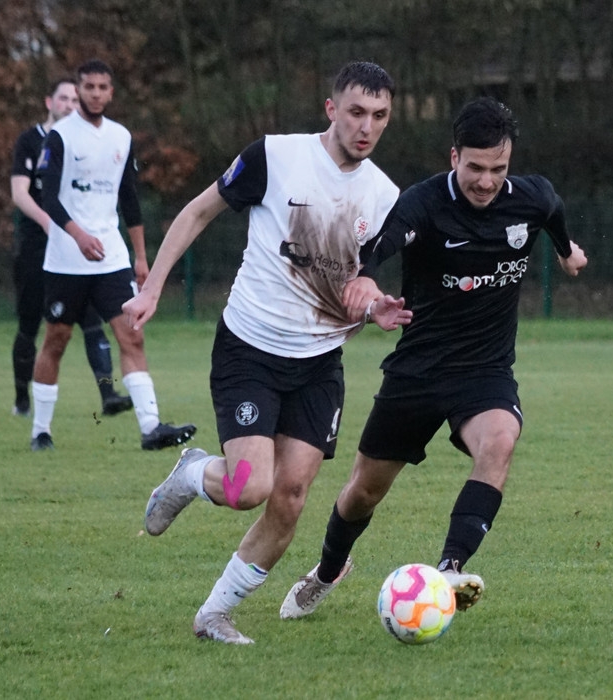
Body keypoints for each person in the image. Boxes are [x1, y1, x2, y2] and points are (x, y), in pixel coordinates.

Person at [124, 61, 410, 644]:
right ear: (331, 109)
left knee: (291, 498)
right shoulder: (275, 157)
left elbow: (360, 287)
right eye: (356, 112)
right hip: (250, 350)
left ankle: (214, 615)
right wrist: (152, 287)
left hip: (319, 366)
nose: (367, 126)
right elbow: (198, 211)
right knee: (247, 488)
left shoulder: (386, 198)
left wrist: (373, 308)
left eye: (379, 116)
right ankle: (192, 472)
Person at [279, 96, 588, 623]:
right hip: (417, 372)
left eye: (498, 169)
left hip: (485, 371)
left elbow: (553, 210)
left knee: (500, 441)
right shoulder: (422, 204)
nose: (486, 182)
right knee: (363, 492)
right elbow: (378, 246)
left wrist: (565, 250)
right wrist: (366, 279)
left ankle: (449, 570)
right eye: (475, 168)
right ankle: (328, 570)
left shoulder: (531, 197)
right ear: (454, 157)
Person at [31, 58, 196, 452]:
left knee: (132, 336)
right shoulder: (60, 136)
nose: (95, 94)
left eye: (102, 87)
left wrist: (140, 257)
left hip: (112, 259)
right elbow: (47, 197)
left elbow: (129, 198)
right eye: (88, 87)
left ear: (111, 91)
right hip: (66, 260)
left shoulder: (121, 136)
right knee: (56, 340)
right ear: (79, 89)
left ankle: (151, 428)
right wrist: (78, 236)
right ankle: (40, 430)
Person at [10, 77, 132, 425]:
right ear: (49, 102)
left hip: (78, 248)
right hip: (39, 247)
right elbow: (20, 193)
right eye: (62, 98)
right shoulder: (31, 141)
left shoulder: (87, 140)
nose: (69, 104)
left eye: (72, 98)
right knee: (33, 324)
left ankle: (108, 393)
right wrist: (49, 223)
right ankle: (22, 399)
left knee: (93, 323)